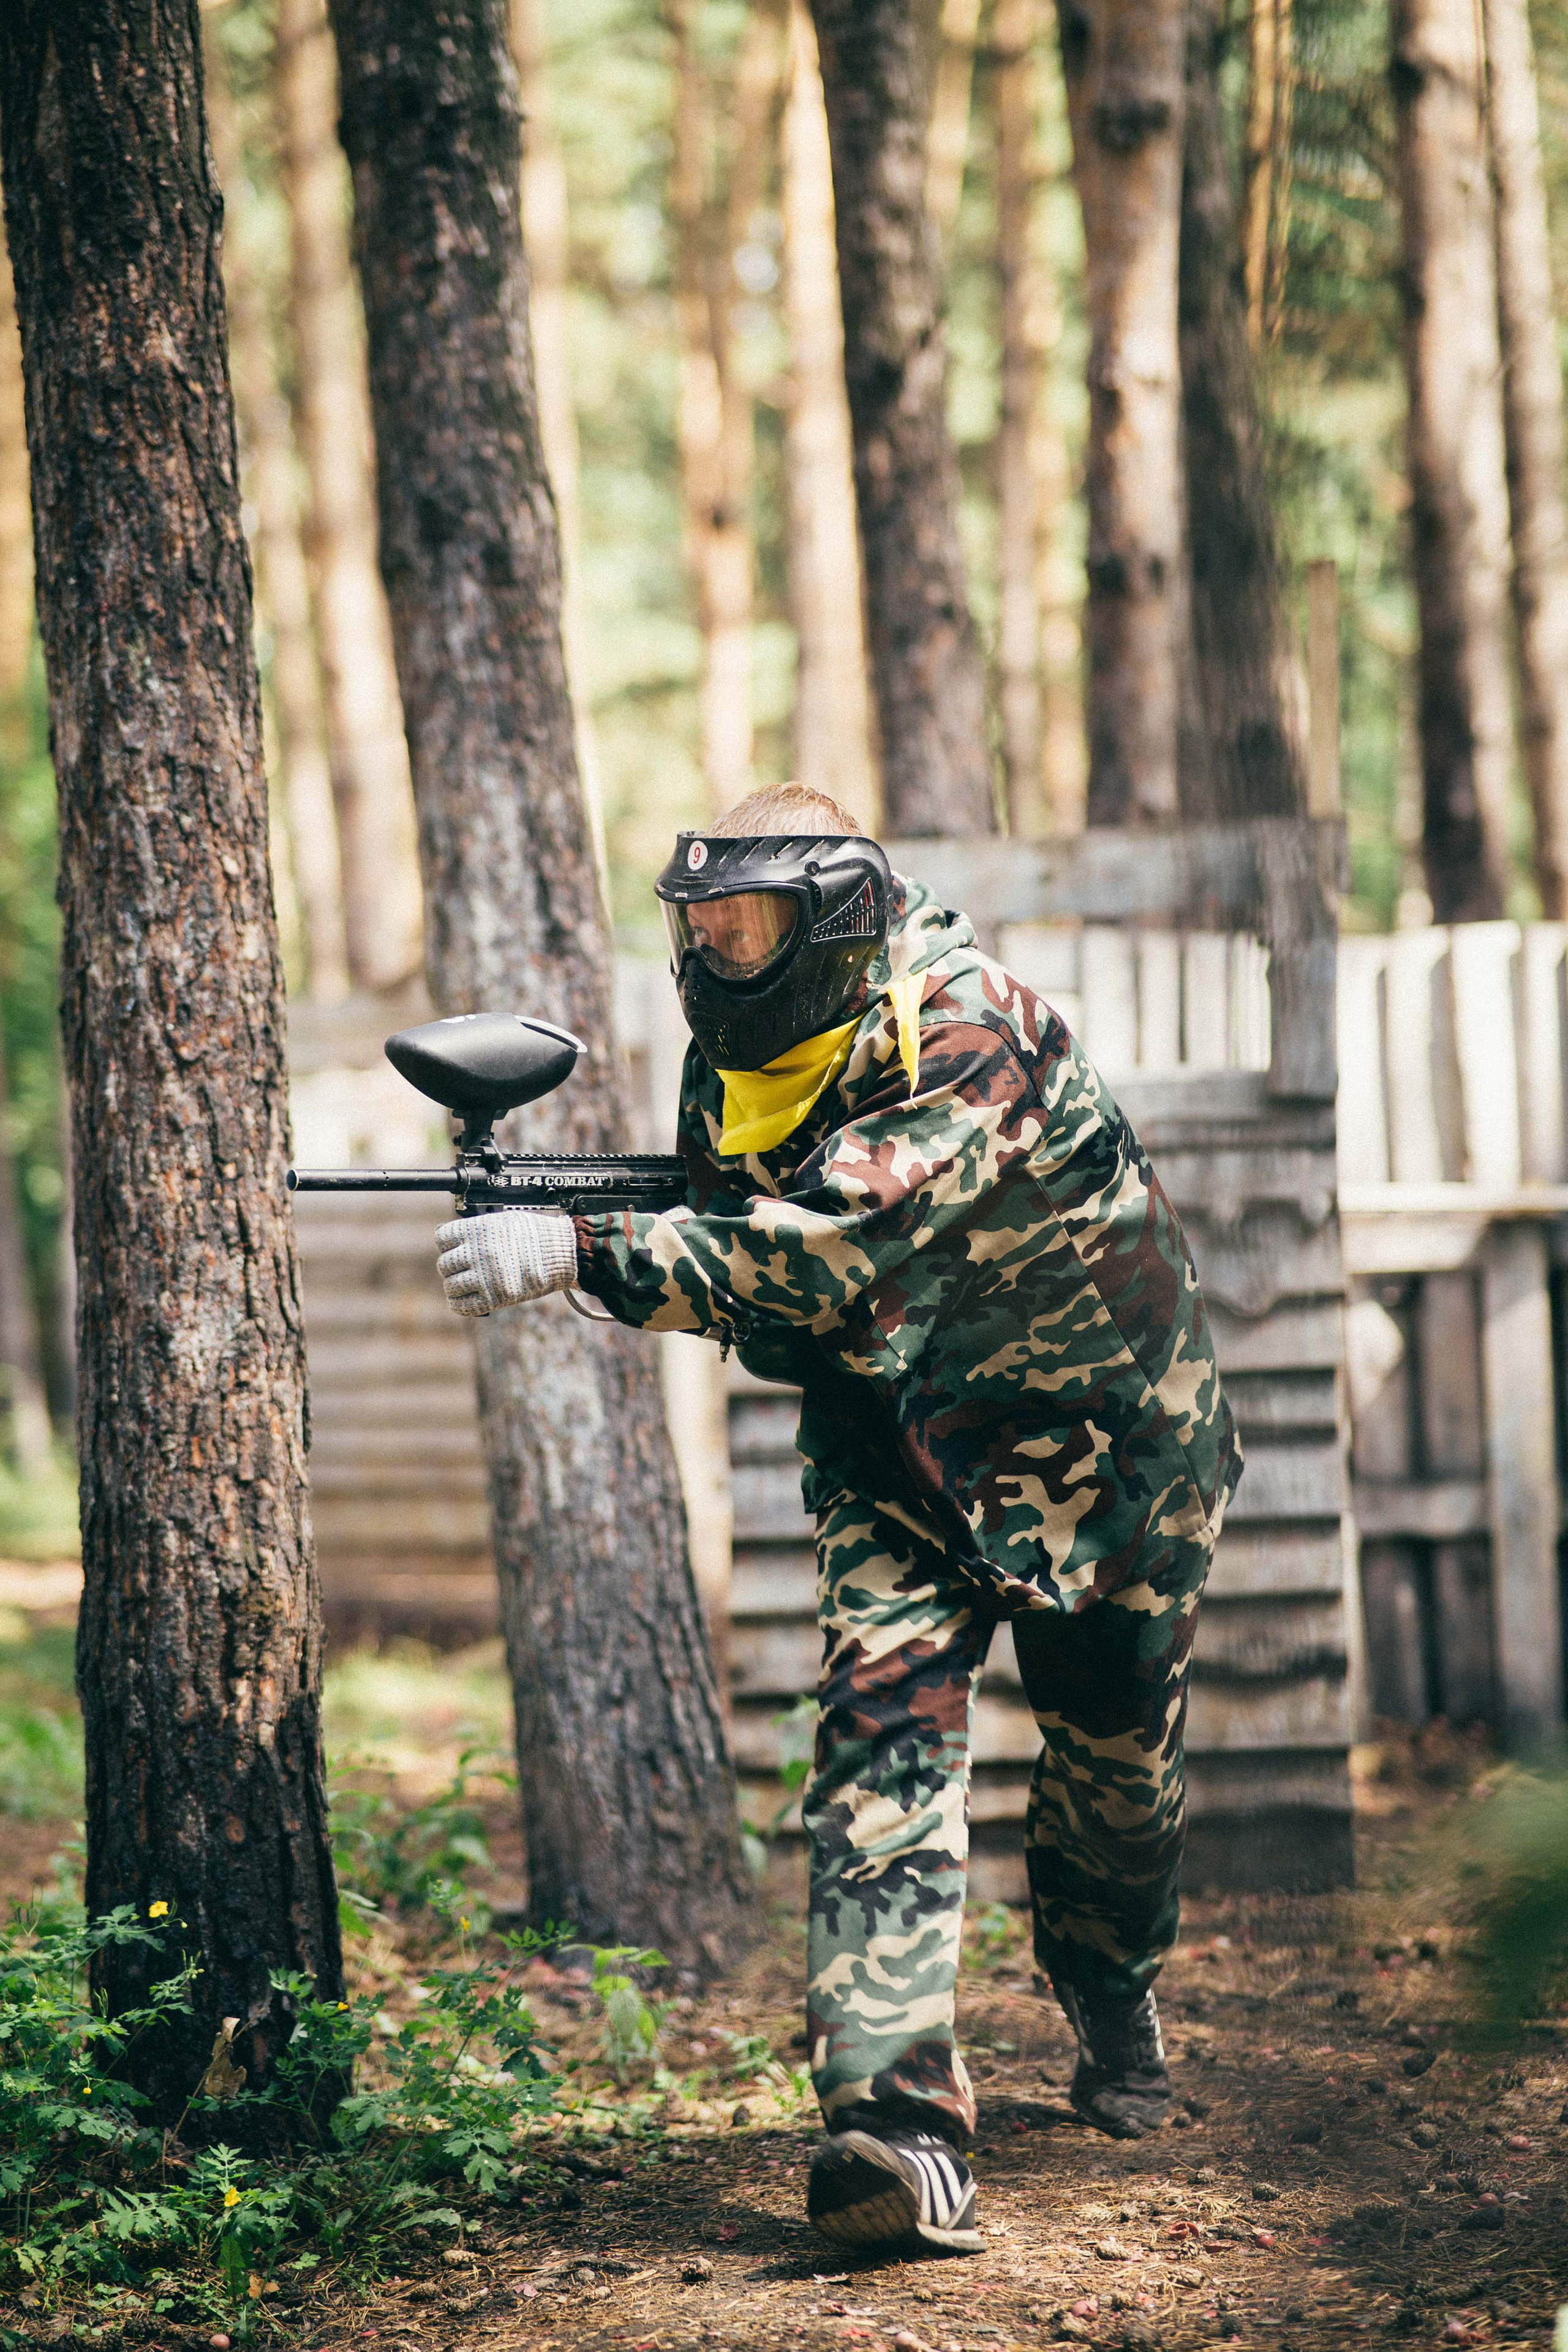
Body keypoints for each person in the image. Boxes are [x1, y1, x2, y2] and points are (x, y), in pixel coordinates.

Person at [434, 782, 1241, 2257]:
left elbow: (811, 1252)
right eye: (705, 929)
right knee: (878, 1772)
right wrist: (596, 1223)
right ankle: (899, 2135)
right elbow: (740, 1247)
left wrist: (580, 1255)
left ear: (842, 914)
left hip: (1107, 1457)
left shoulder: (966, 1029)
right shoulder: (737, 1064)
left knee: (1115, 1770)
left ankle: (1109, 1981)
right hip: (896, 1458)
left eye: (751, 929)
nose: (723, 958)